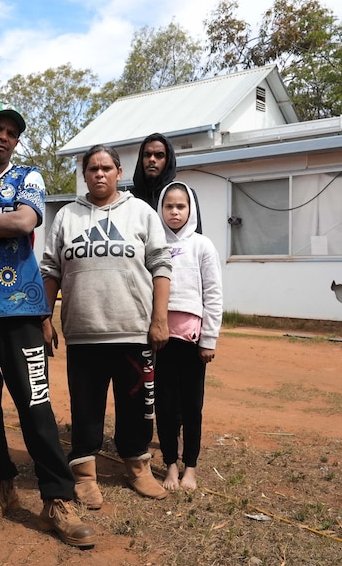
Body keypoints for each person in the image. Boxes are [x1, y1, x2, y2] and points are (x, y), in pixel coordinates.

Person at [0, 103, 95, 548]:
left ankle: (57, 499)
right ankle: (2, 486)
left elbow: (25, 220)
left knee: (36, 408)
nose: (4, 136)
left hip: (22, 312)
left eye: (12, 131)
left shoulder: (28, 177)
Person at [40, 144, 172, 509]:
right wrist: (45, 317)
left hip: (133, 330)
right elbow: (50, 270)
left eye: (106, 168)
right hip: (83, 333)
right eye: (92, 168)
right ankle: (84, 473)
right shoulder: (67, 215)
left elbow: (161, 265)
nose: (99, 174)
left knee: (135, 407)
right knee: (85, 408)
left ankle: (137, 466)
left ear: (118, 172)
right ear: (84, 175)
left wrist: (160, 319)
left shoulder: (141, 212)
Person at [154, 181, 223, 491]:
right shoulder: (153, 244)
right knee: (165, 405)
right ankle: (170, 464)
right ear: (161, 209)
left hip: (193, 343)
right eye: (169, 206)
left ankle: (190, 467)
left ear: (191, 209)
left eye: (181, 206)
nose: (175, 211)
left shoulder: (202, 245)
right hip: (160, 339)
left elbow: (213, 293)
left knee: (192, 405)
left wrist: (209, 339)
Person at [131, 133, 202, 234]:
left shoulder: (184, 194)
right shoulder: (129, 198)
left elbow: (194, 236)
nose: (152, 159)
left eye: (159, 155)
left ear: (168, 160)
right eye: (147, 155)